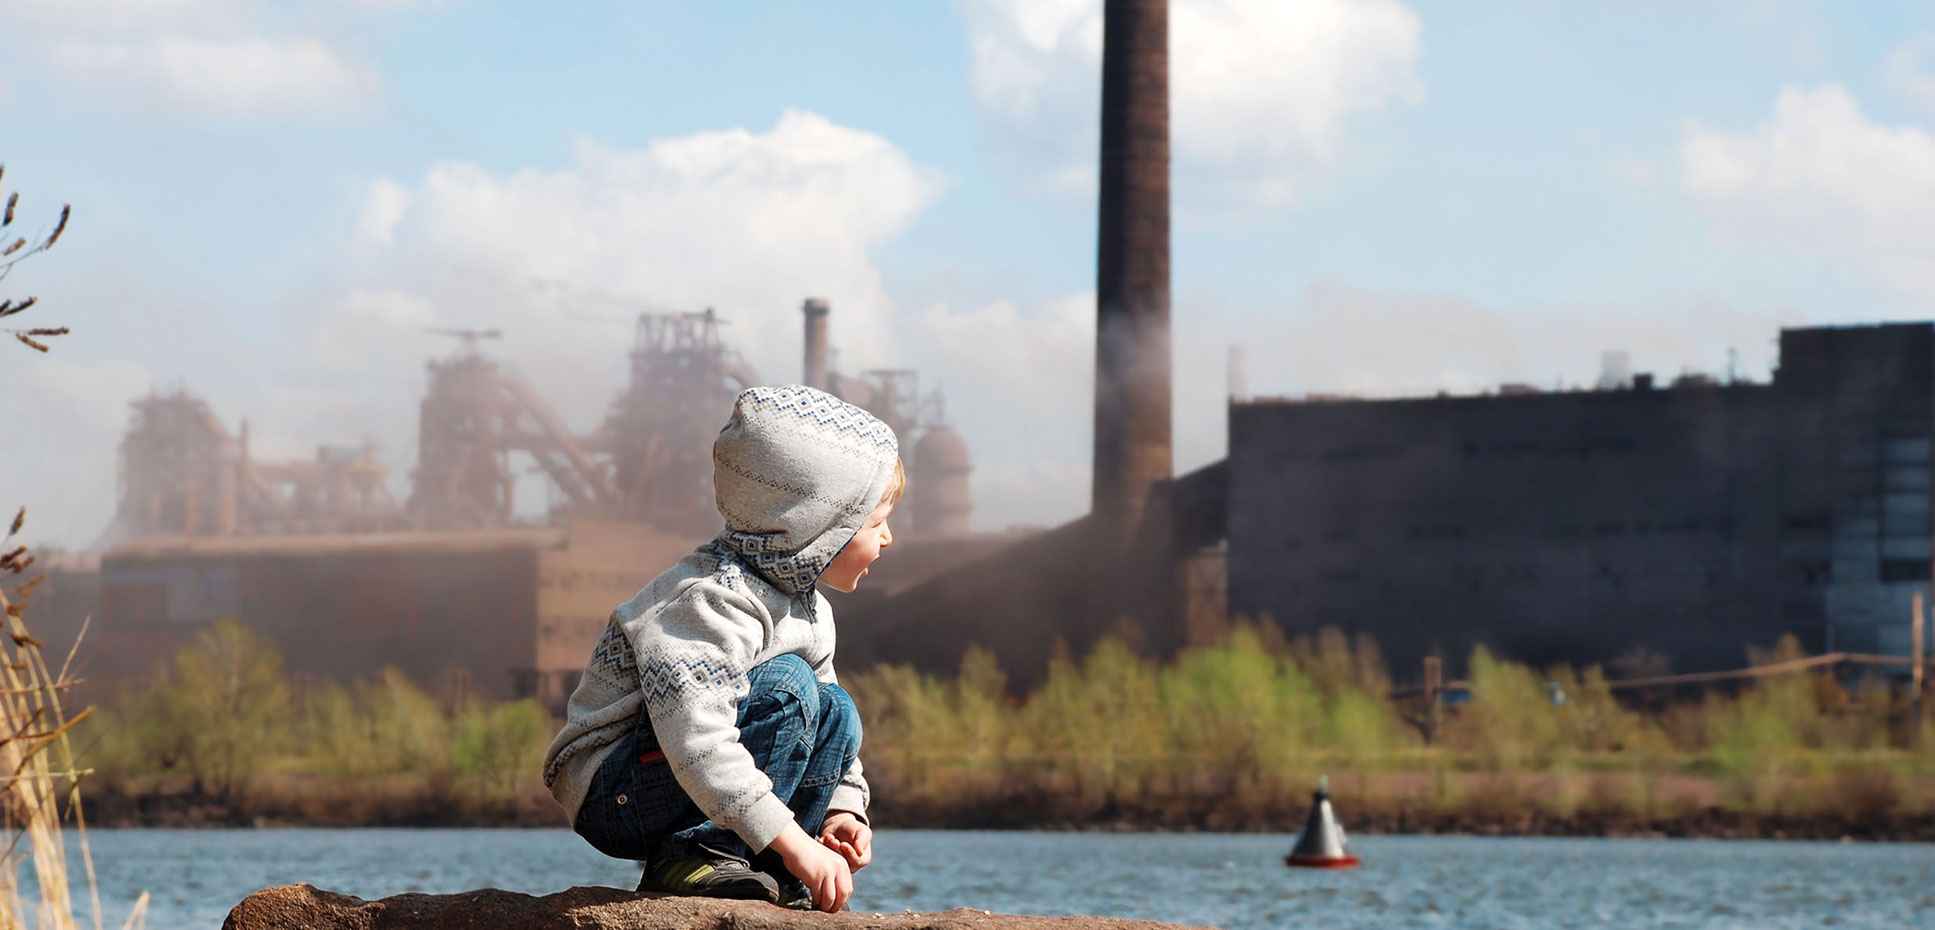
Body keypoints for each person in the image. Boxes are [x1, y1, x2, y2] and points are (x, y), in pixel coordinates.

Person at [543, 384, 899, 913]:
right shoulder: (710, 601)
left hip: (679, 775)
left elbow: (829, 733)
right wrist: (796, 841)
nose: (888, 538)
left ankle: (771, 872)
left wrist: (841, 812)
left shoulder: (809, 609)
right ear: (818, 528)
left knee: (835, 705)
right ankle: (695, 854)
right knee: (789, 688)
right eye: (876, 523)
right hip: (613, 788)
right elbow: (695, 739)